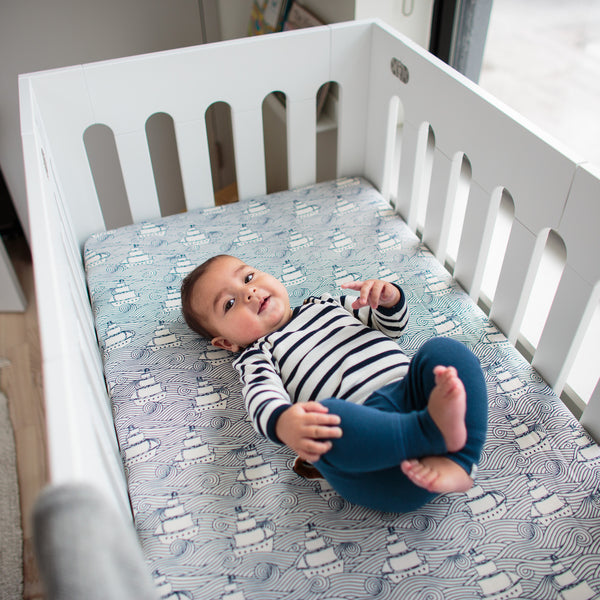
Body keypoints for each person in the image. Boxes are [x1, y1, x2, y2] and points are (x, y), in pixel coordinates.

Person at [181, 254, 488, 512]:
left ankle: (461, 461)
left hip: (415, 393)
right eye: (229, 303)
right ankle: (430, 434)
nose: (248, 293)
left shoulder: (324, 304)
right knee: (323, 421)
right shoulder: (257, 355)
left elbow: (389, 327)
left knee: (444, 351)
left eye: (248, 278)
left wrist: (387, 299)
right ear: (224, 343)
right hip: (378, 457)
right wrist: (283, 422)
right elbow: (261, 399)